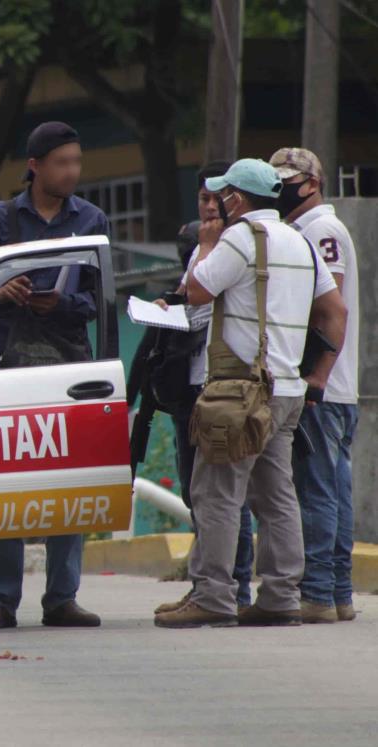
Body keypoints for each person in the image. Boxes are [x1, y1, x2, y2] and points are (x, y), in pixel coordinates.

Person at [155, 158, 347, 628]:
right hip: (285, 389)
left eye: (222, 194)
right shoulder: (299, 242)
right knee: (276, 494)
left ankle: (214, 596)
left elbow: (197, 291)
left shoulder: (239, 238)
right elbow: (334, 310)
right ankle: (282, 596)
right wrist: (318, 376)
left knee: (216, 492)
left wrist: (205, 244)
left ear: (236, 199)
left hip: (238, 389)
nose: (217, 202)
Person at [0, 121, 109, 631]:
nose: (72, 172)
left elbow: (97, 300)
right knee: (6, 484)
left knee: (68, 480)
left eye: (77, 162)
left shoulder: (91, 219)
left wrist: (60, 301)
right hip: (2, 366)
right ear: (35, 166)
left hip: (68, 369)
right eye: (62, 163)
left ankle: (62, 597)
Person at [150, 161, 256, 615]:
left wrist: (179, 303)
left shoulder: (230, 248)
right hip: (191, 383)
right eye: (203, 200)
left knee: (229, 498)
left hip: (225, 385)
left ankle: (236, 587)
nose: (209, 208)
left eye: (218, 200)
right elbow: (188, 299)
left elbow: (200, 311)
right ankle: (205, 585)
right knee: (199, 493)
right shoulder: (201, 250)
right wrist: (165, 304)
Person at [270, 147, 360, 624]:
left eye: (287, 181)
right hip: (333, 385)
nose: (280, 189)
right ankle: (338, 592)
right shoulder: (309, 230)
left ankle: (320, 592)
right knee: (333, 491)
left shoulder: (319, 231)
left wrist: (316, 377)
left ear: (311, 183)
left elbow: (330, 305)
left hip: (323, 385)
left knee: (318, 491)